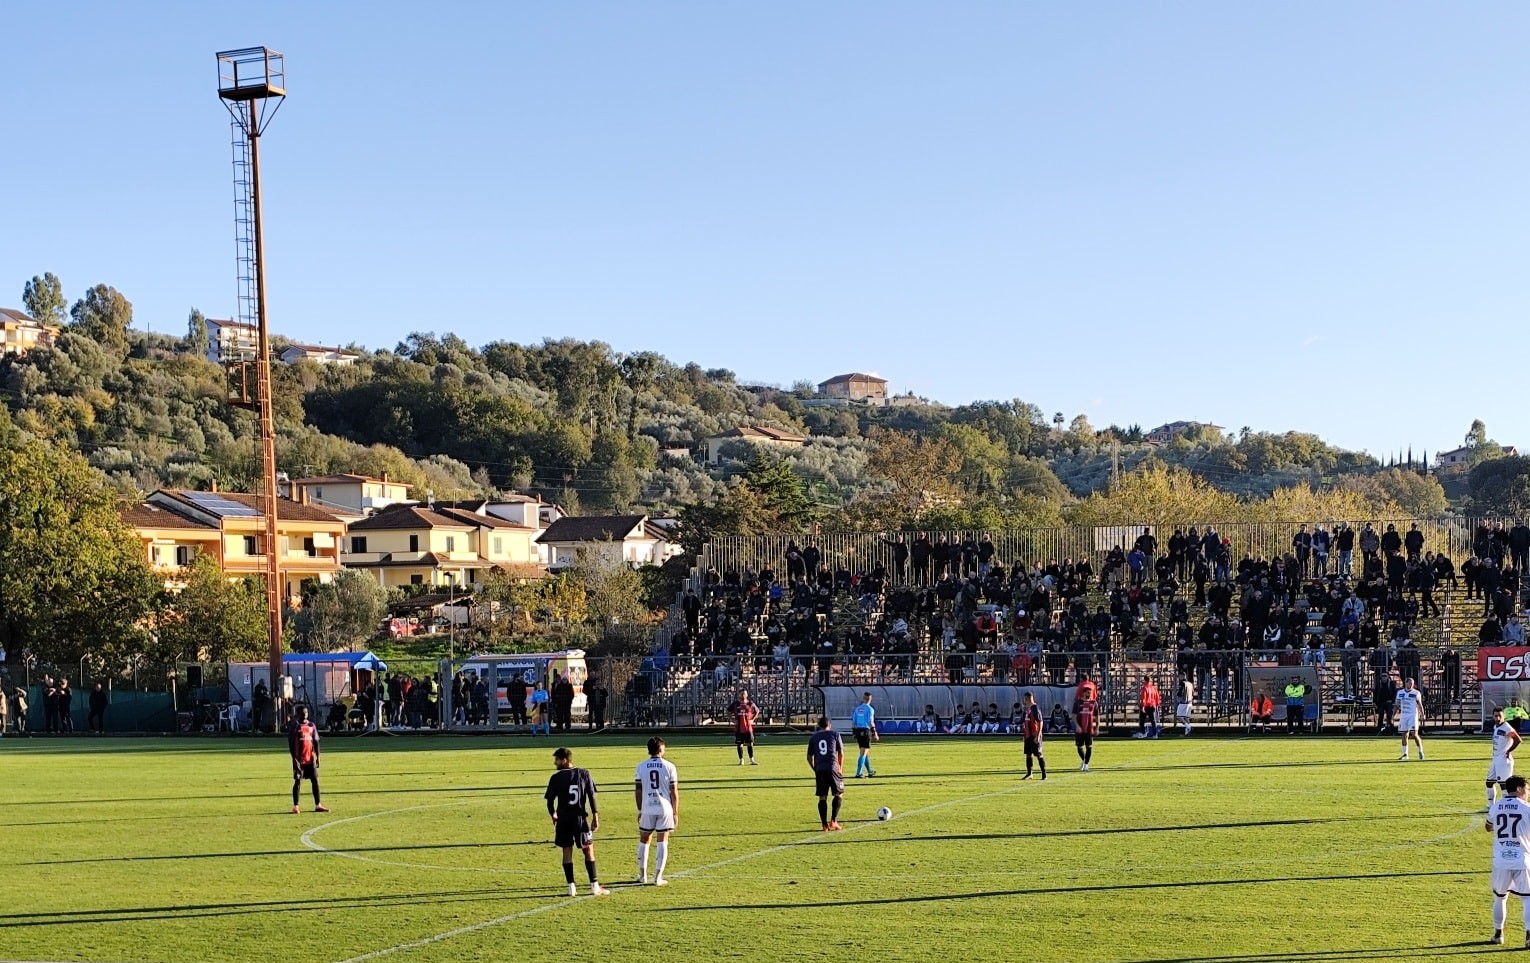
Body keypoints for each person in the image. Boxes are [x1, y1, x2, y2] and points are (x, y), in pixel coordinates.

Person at [544, 747, 610, 897]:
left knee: (567, 851)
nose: (555, 763)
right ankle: (594, 886)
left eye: (557, 760)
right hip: (580, 819)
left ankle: (571, 887)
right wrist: (595, 816)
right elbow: (592, 796)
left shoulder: (556, 778)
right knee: (588, 850)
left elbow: (549, 801)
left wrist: (553, 814)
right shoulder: (584, 773)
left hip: (563, 819)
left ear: (564, 760)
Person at [1486, 775, 1530, 947]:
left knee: (1500, 897)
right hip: (1522, 859)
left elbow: (1488, 827)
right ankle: (1529, 936)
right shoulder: (1527, 808)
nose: (1528, 793)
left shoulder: (1496, 806)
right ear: (1519, 789)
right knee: (1527, 899)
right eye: (1527, 789)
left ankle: (1498, 934)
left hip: (1501, 860)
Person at [634, 737, 679, 885]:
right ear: (660, 749)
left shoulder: (640, 767)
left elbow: (638, 790)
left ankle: (642, 875)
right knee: (662, 841)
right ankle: (658, 877)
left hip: (647, 807)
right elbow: (674, 791)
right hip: (665, 808)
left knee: (644, 840)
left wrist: (640, 809)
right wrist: (675, 812)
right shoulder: (670, 766)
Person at [287, 706, 328, 814]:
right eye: (302, 712)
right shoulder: (295, 726)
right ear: (298, 714)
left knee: (315, 780)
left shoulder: (311, 725)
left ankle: (318, 805)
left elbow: (316, 741)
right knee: (298, 781)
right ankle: (296, 806)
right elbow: (291, 744)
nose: (304, 714)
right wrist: (294, 759)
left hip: (310, 758)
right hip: (299, 759)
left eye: (305, 712)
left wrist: (318, 756)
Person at [808, 716, 845, 830]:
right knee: (839, 794)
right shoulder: (835, 734)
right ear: (829, 725)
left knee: (822, 797)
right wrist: (840, 768)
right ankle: (833, 821)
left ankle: (824, 825)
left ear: (819, 726)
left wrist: (815, 769)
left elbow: (809, 757)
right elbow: (841, 753)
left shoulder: (814, 737)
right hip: (833, 767)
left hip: (820, 769)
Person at [1490, 708, 1523, 808]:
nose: (1498, 718)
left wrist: (1508, 751)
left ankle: (1508, 805)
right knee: (1489, 782)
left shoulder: (1506, 727)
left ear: (1504, 716)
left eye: (1500, 716)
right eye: (1496, 716)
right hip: (1495, 758)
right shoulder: (1496, 726)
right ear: (1493, 716)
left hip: (1503, 759)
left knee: (1504, 784)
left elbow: (1518, 740)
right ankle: (1490, 805)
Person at [1395, 677, 1426, 761]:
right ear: (1406, 683)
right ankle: (1405, 754)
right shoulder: (1400, 693)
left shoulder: (1416, 693)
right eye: (1410, 683)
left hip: (1413, 715)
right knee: (1404, 734)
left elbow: (1420, 704)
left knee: (1414, 734)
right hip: (1404, 716)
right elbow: (1397, 704)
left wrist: (1423, 714)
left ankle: (1420, 751)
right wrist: (1393, 715)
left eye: (1412, 683)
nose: (1411, 685)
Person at [851, 692, 879, 777]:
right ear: (870, 699)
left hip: (858, 731)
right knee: (863, 753)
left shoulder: (857, 709)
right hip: (866, 731)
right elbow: (870, 722)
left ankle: (870, 771)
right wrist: (874, 733)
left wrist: (854, 733)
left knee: (864, 752)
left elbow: (853, 723)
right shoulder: (870, 709)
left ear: (863, 698)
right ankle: (858, 773)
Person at [1020, 692, 1046, 780]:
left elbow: (1040, 721)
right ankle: (1029, 773)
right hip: (1027, 735)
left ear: (1027, 699)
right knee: (1028, 754)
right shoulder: (1027, 709)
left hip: (1034, 735)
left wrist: (1038, 735)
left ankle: (1044, 773)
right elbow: (1025, 721)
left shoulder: (1035, 708)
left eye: (1025, 699)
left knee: (1039, 754)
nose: (1024, 701)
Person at [730, 689, 760, 765]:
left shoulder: (750, 704)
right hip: (739, 728)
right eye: (741, 694)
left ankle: (751, 760)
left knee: (750, 743)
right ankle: (741, 760)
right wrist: (732, 719)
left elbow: (757, 711)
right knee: (739, 744)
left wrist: (752, 719)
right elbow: (728, 711)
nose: (743, 695)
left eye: (744, 694)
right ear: (739, 695)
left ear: (747, 695)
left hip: (748, 728)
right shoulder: (736, 704)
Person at [1074, 686, 1098, 771]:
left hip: (1089, 729)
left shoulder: (1094, 703)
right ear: (1084, 693)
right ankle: (1084, 760)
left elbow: (1097, 716)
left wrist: (1097, 727)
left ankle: (1086, 764)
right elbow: (1074, 715)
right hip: (1080, 729)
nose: (1089, 694)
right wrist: (1077, 725)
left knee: (1089, 747)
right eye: (1088, 692)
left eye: (1090, 692)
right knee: (1079, 747)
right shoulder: (1078, 703)